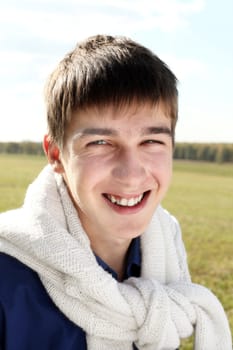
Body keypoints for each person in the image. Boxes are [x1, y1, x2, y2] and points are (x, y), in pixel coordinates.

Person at [0, 35, 231, 350]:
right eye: (100, 143)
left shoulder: (166, 249)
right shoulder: (6, 279)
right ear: (55, 155)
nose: (132, 172)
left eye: (151, 142)